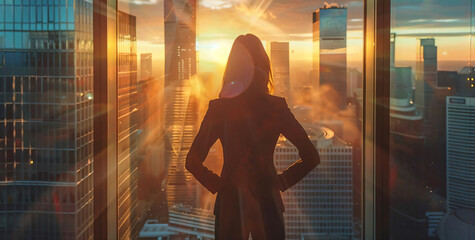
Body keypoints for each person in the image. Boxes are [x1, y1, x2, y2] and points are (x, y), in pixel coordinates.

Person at [185, 33, 320, 240]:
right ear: (264, 67)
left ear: (232, 67)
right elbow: (311, 156)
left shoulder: (219, 109)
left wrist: (218, 184)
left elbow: (192, 161)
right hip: (268, 204)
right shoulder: (276, 107)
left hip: (230, 206)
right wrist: (281, 181)